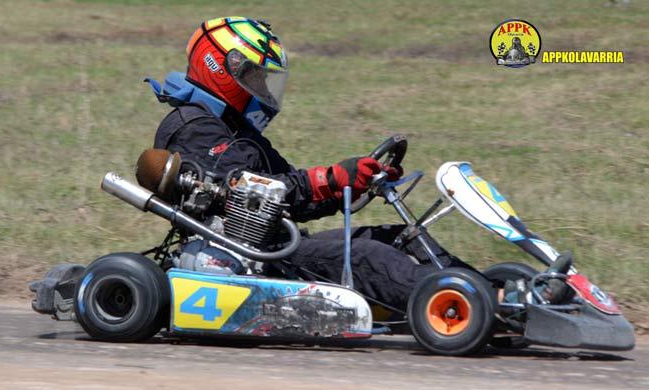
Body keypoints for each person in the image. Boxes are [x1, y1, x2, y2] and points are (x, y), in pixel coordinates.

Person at [144, 17, 567, 311]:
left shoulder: (243, 134)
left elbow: (296, 199)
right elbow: (243, 189)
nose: (261, 90)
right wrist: (330, 178)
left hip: (278, 245)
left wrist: (355, 181)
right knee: (364, 255)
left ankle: (491, 291)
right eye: (255, 78)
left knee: (400, 238)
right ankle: (478, 304)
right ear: (222, 68)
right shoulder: (192, 127)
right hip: (248, 257)